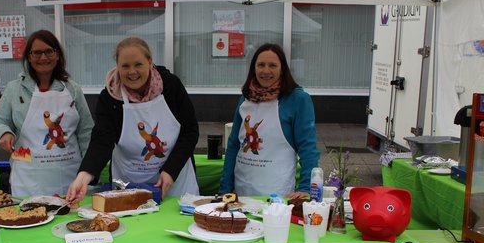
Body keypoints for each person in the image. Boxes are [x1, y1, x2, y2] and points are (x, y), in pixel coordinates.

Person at [66, 37, 199, 203]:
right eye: (125, 66)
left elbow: (190, 131)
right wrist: (84, 176)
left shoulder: (171, 86)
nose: (132, 72)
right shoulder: (109, 98)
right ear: (117, 66)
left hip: (175, 181)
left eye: (138, 64)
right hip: (128, 184)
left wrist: (170, 171)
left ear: (150, 62)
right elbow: (102, 140)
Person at [0, 30, 93, 197]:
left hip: (70, 181)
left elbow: (86, 132)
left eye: (49, 51)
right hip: (27, 182)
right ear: (29, 57)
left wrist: (90, 174)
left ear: (57, 55)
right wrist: (3, 133)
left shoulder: (72, 89)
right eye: (37, 52)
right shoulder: (14, 89)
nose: (43, 57)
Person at [219, 43, 320, 199]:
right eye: (261, 65)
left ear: (282, 69)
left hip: (277, 194)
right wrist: (225, 187)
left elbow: (308, 149)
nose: (266, 71)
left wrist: (306, 187)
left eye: (272, 65)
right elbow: (233, 145)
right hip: (241, 190)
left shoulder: (298, 99)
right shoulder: (246, 98)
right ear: (254, 68)